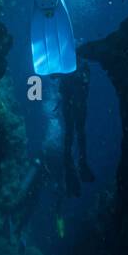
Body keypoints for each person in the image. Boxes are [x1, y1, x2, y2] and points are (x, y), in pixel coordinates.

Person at [58, 67, 94, 197]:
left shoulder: (71, 65)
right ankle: (78, 164)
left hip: (72, 97)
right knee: (77, 131)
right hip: (75, 98)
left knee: (72, 132)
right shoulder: (80, 64)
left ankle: (74, 165)